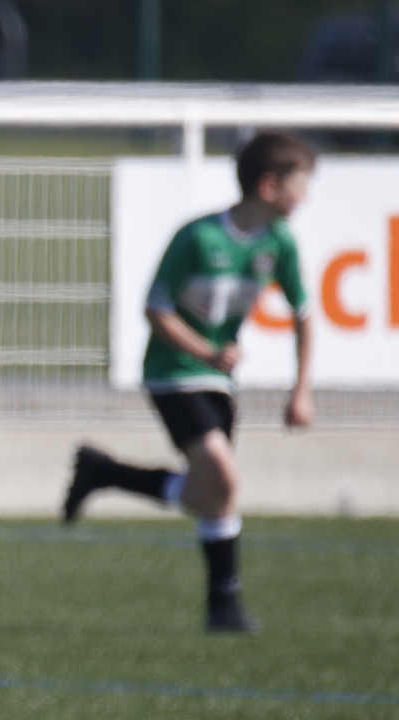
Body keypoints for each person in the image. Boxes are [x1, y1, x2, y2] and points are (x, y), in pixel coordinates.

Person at [63, 131, 317, 633]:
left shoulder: (279, 243)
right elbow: (156, 309)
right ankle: (226, 602)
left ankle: (103, 472)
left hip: (219, 382)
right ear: (269, 186)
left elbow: (304, 315)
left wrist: (302, 390)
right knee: (223, 475)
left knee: (211, 491)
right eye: (301, 184)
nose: (306, 196)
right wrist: (207, 352)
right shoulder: (198, 237)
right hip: (173, 374)